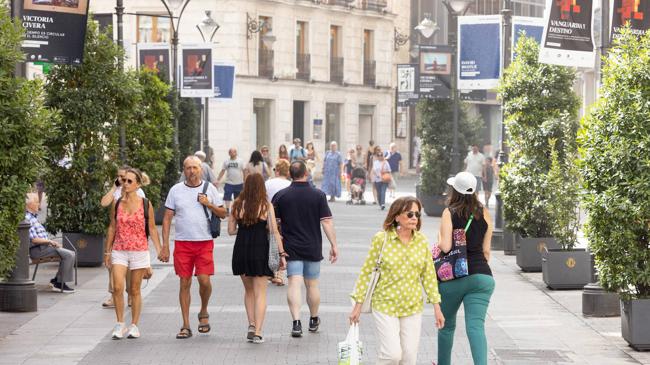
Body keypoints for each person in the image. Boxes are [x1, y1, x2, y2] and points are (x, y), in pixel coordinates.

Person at [348, 196, 444, 365]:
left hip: (412, 306)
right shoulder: (381, 239)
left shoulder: (421, 241)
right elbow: (367, 272)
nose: (414, 217)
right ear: (397, 216)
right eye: (410, 214)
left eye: (417, 214)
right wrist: (357, 304)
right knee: (392, 355)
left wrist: (437, 307)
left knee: (408, 357)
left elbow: (428, 276)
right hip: (385, 304)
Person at [162, 156, 227, 339]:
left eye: (195, 168)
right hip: (183, 243)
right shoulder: (176, 190)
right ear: (184, 169)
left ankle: (203, 311)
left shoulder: (210, 188)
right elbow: (167, 218)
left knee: (204, 281)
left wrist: (209, 203)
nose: (191, 171)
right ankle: (185, 324)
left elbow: (223, 213)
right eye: (188, 168)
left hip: (204, 242)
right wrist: (165, 246)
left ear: (201, 169)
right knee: (184, 283)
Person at [272, 161, 339, 337]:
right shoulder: (318, 195)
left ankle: (296, 322)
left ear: (290, 175)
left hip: (290, 247)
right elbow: (326, 221)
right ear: (306, 173)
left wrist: (277, 250)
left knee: (294, 283)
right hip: (312, 246)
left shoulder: (280, 196)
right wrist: (334, 245)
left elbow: (275, 226)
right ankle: (314, 318)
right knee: (312, 284)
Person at [437, 171, 495, 365]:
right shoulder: (485, 213)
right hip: (482, 277)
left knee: (446, 326)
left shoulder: (449, 212)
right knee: (476, 327)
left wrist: (438, 239)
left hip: (454, 278)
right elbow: (486, 252)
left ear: (454, 190)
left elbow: (445, 246)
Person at [104, 168, 165, 339]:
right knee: (117, 287)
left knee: (134, 289)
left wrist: (160, 250)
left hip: (139, 250)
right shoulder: (117, 203)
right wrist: (107, 252)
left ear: (138, 184)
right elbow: (112, 228)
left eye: (130, 181)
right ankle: (119, 323)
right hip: (119, 250)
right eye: (124, 180)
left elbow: (152, 229)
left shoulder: (146, 204)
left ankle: (134, 325)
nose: (126, 183)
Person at [228, 173, 286, 344]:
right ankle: (259, 332)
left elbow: (231, 231)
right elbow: (274, 231)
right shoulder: (266, 206)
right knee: (261, 293)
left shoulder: (237, 205)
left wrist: (244, 229)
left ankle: (251, 324)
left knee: (249, 291)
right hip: (260, 250)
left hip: (241, 249)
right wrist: (282, 254)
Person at [100, 166, 147, 308]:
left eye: (123, 177)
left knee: (130, 269)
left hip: (131, 239)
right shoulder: (117, 191)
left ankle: (131, 294)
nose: (121, 180)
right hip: (116, 234)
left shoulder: (138, 192)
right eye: (119, 177)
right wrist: (114, 188)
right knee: (113, 268)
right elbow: (103, 203)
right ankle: (114, 295)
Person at [26, 193, 76, 293]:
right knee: (69, 255)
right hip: (38, 250)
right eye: (36, 202)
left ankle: (57, 281)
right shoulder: (27, 218)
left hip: (44, 247)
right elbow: (34, 239)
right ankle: (59, 283)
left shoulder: (33, 217)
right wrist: (50, 241)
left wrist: (50, 243)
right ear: (29, 205)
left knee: (69, 253)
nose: (39, 204)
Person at [265, 160, 292, 286]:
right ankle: (279, 274)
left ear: (277, 170)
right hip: (285, 219)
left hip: (270, 217)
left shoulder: (268, 183)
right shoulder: (290, 184)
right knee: (282, 244)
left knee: (270, 244)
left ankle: (272, 272)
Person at [216, 148, 245, 213]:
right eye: (231, 152)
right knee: (227, 196)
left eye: (234, 152)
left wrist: (245, 180)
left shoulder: (240, 161)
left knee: (238, 198)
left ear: (236, 153)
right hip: (229, 183)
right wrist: (217, 180)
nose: (232, 153)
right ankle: (227, 209)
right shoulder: (226, 161)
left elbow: (244, 171)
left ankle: (237, 209)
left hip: (239, 183)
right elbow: (223, 171)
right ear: (229, 153)